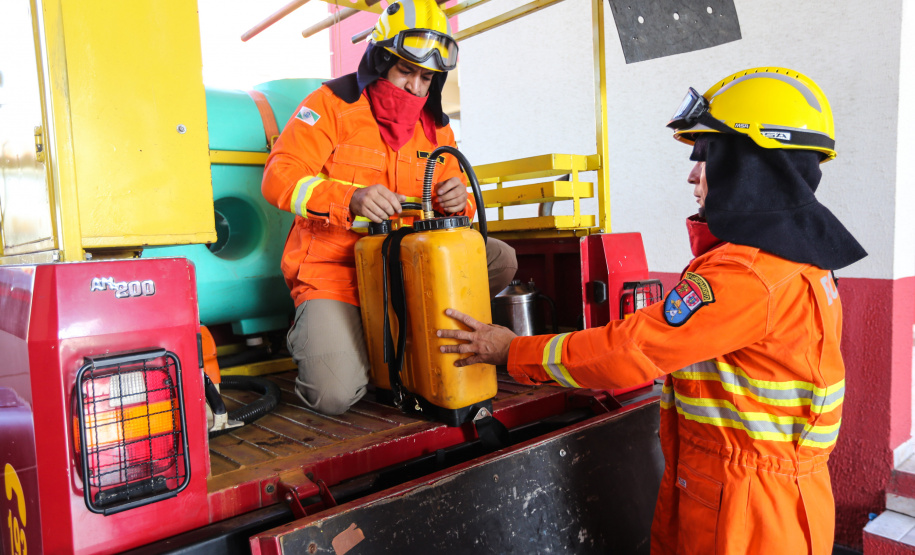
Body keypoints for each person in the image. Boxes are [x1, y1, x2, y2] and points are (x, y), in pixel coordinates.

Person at [438, 67, 866, 554]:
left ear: (752, 166)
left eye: (707, 155)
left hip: (745, 514)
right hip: (753, 495)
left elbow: (628, 351)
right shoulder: (797, 257)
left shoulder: (748, 275)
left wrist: (510, 350)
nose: (692, 173)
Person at [262, 0, 517, 416]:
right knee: (334, 395)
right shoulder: (330, 104)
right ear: (380, 59)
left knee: (500, 260)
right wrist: (349, 197)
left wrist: (459, 199)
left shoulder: (437, 125)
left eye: (426, 77)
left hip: (408, 268)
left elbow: (459, 198)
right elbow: (279, 176)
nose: (416, 88)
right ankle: (324, 331)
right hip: (336, 274)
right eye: (405, 71)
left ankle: (408, 326)